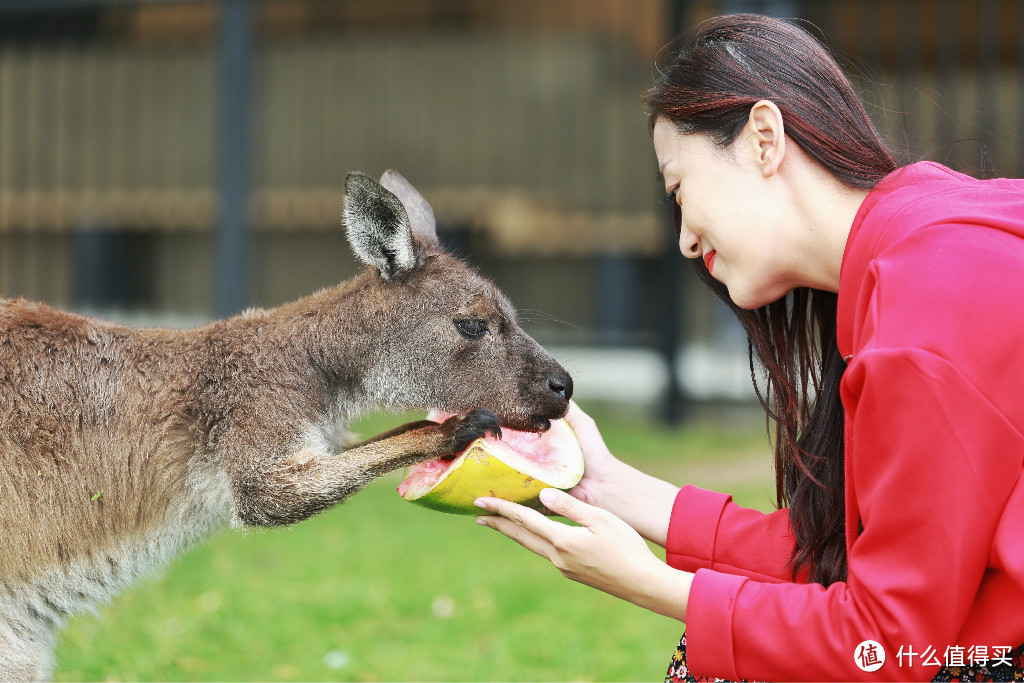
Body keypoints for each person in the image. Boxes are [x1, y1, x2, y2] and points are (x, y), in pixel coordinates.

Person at [472, 13, 1024, 682]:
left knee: (730, 665)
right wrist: (612, 485)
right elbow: (849, 561)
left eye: (680, 190)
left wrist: (650, 583)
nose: (683, 241)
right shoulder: (925, 235)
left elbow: (883, 642)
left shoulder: (927, 307)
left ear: (765, 138)